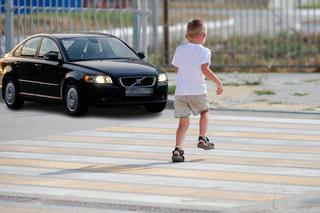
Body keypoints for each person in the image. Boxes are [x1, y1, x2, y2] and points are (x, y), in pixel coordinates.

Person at [171, 19, 224, 162]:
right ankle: (202, 138)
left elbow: (177, 69)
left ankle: (178, 149)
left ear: (187, 37)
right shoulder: (204, 51)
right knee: (205, 112)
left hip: (181, 92)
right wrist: (218, 82)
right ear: (203, 36)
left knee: (183, 122)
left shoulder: (179, 49)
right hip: (197, 91)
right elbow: (204, 69)